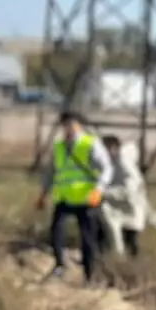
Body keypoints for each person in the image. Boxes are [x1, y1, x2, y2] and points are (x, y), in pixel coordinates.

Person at [36, 110, 113, 283]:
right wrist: (43, 195)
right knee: (56, 230)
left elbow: (106, 169)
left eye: (70, 124)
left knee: (87, 237)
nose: (67, 128)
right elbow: (51, 172)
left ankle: (89, 274)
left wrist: (98, 190)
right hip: (64, 198)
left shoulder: (90, 144)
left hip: (86, 199)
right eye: (65, 125)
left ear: (78, 125)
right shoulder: (59, 147)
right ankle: (59, 265)